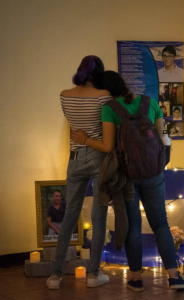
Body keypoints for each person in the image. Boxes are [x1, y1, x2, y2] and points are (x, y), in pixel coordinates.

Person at [71, 71, 184, 291]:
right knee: (161, 224)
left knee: (133, 225)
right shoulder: (149, 102)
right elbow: (160, 137)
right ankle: (174, 277)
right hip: (154, 174)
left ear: (106, 91)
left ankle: (136, 279)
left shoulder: (110, 109)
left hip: (127, 177)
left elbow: (108, 147)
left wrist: (84, 139)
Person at [46, 56, 112, 290]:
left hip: (74, 159)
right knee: (98, 216)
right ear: (100, 74)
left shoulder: (65, 95)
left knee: (69, 217)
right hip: (98, 157)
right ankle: (94, 274)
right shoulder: (105, 96)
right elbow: (106, 134)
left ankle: (55, 276)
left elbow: (73, 126)